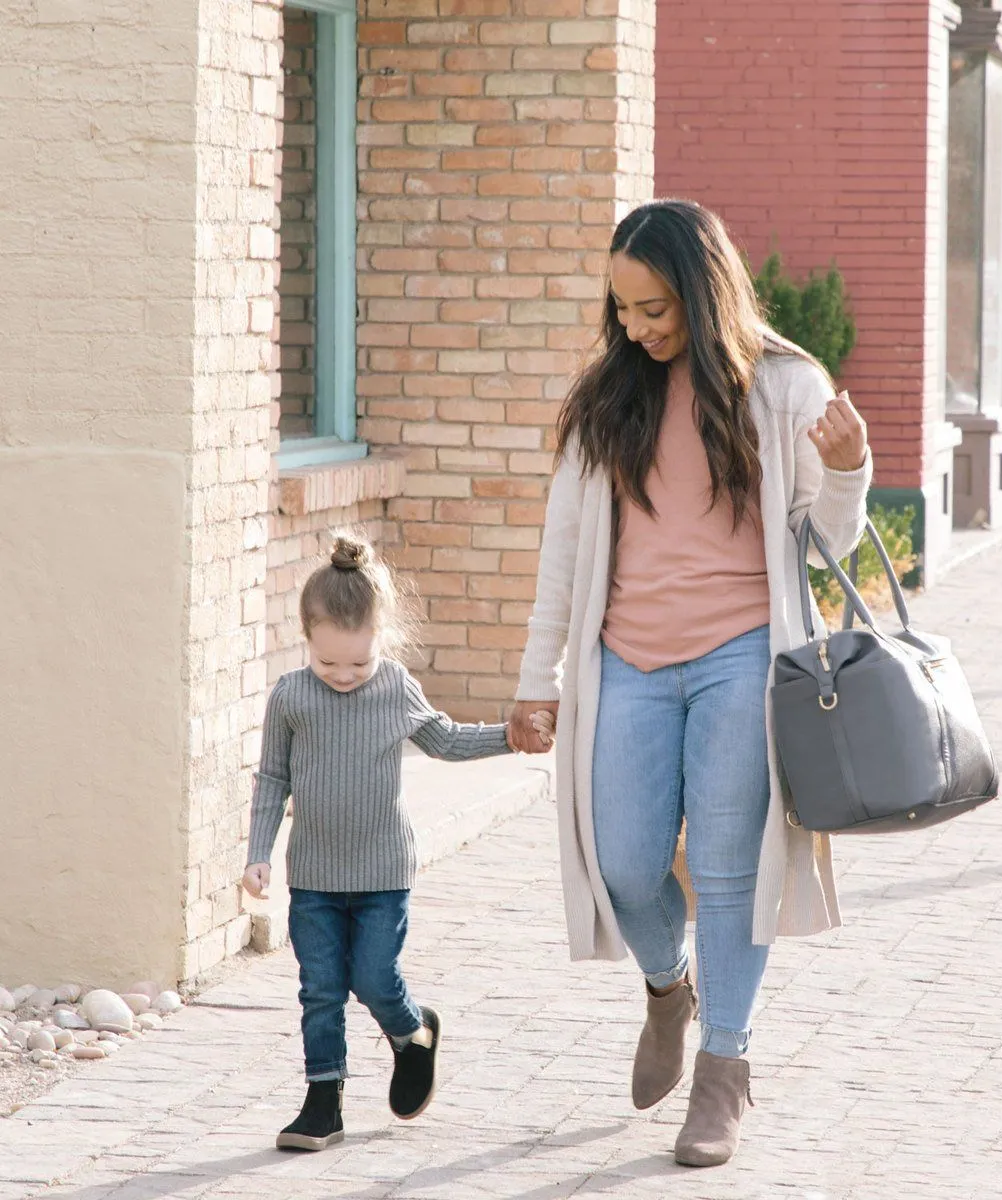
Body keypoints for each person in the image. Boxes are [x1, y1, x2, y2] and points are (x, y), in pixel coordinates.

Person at [507, 199, 871, 1167]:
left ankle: (724, 1072)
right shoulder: (603, 402)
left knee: (725, 867)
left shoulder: (786, 389)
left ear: (705, 295)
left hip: (741, 660)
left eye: (655, 308)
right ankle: (669, 984)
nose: (635, 327)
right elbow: (564, 554)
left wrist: (849, 471)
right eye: (623, 309)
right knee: (621, 862)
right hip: (624, 660)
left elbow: (824, 544)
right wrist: (533, 680)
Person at [242, 534, 551, 1152]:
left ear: (380, 638)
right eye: (329, 664)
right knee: (321, 988)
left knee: (375, 977)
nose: (346, 676)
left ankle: (412, 1035)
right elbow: (273, 778)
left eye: (359, 663)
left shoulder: (396, 688)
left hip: (383, 875)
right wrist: (257, 853)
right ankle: (322, 1102)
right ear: (308, 639)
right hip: (315, 879)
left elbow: (447, 740)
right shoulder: (291, 697)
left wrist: (512, 737)